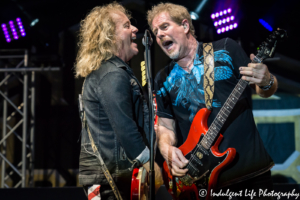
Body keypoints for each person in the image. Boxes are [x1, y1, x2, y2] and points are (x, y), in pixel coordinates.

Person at [147, 2, 278, 199]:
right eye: (155, 31)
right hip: (201, 182)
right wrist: (167, 150)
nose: (159, 34)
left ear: (184, 26)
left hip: (250, 173)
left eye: (164, 26)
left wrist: (267, 81)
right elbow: (165, 125)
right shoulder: (162, 78)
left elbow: (263, 90)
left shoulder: (226, 48)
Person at [75, 2, 162, 199]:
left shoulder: (110, 72)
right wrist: (151, 165)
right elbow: (125, 128)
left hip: (111, 176)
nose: (135, 29)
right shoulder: (112, 74)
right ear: (110, 37)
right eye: (126, 25)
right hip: (111, 179)